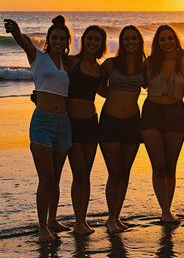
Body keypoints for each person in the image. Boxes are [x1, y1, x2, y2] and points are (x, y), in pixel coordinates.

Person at [4, 16, 72, 242]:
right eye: (54, 37)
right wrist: (15, 31)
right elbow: (22, 41)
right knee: (46, 178)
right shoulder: (37, 57)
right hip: (42, 122)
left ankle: (53, 220)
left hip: (64, 123)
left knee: (57, 177)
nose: (58, 41)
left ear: (67, 41)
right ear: (48, 39)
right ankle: (42, 227)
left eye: (62, 38)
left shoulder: (67, 64)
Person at [141, 25, 184, 223]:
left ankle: (168, 209)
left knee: (171, 167)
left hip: (176, 114)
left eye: (170, 38)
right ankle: (165, 211)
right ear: (157, 43)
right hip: (151, 114)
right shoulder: (148, 63)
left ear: (176, 39)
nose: (167, 42)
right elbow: (135, 84)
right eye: (162, 39)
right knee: (159, 166)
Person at [99, 25, 146, 233]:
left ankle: (116, 217)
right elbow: (99, 87)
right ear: (121, 41)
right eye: (127, 38)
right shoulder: (110, 64)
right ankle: (110, 218)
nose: (131, 42)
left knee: (125, 173)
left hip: (133, 123)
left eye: (134, 38)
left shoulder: (144, 66)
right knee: (115, 173)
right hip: (109, 122)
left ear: (139, 41)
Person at [66, 25, 108, 235]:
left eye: (97, 40)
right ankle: (77, 221)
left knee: (86, 174)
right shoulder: (71, 61)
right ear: (83, 39)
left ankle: (83, 219)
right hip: (71, 124)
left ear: (102, 44)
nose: (93, 42)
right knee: (79, 173)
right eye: (90, 38)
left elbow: (104, 92)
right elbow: (52, 75)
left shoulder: (100, 69)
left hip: (91, 123)